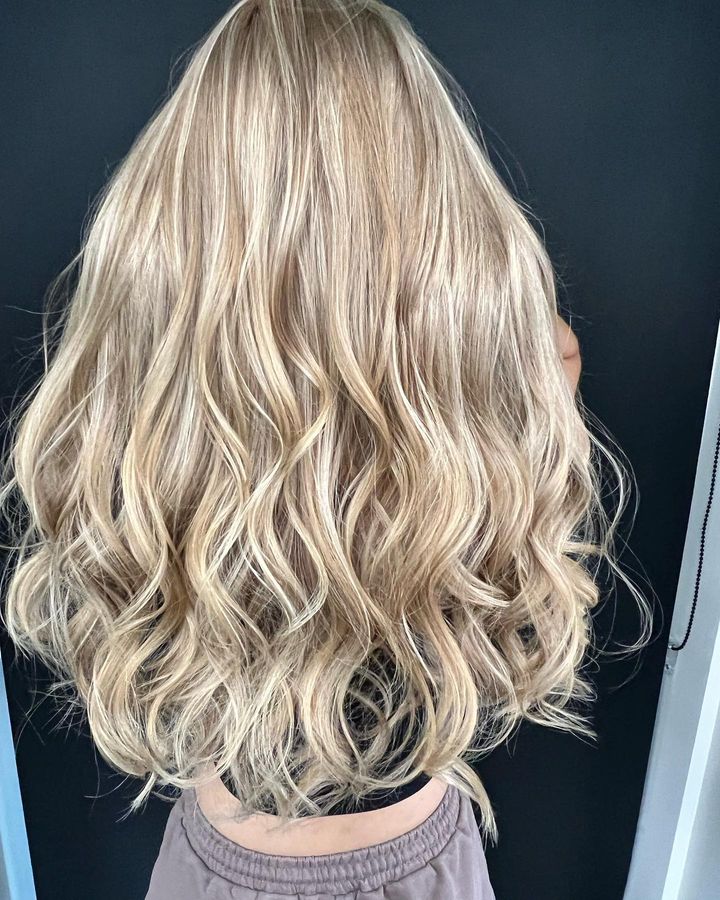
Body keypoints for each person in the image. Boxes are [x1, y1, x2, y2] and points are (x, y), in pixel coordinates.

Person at [0, 1, 648, 898]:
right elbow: (549, 371)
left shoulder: (149, 401)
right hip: (420, 858)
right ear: (436, 198)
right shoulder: (494, 394)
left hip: (217, 859)